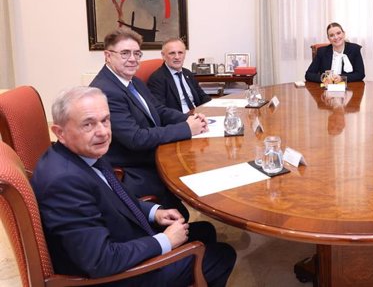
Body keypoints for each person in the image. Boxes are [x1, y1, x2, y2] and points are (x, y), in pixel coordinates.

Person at [31, 86, 235, 286]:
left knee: (205, 231)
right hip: (115, 276)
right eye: (88, 124)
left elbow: (115, 196)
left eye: (105, 120)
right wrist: (164, 242)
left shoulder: (84, 153)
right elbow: (100, 261)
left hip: (121, 238)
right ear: (60, 132)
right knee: (221, 255)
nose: (102, 132)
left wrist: (154, 213)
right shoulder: (64, 182)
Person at [90, 28, 208, 218]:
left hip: (150, 151)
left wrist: (188, 119)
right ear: (108, 55)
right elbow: (136, 138)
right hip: (133, 166)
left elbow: (159, 110)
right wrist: (186, 128)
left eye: (137, 53)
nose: (133, 59)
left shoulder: (132, 81)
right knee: (183, 207)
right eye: (125, 53)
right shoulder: (106, 91)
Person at [148, 37, 212, 113]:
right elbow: (161, 110)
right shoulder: (157, 78)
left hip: (198, 114)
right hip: (180, 120)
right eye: (172, 53)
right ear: (163, 55)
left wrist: (215, 105)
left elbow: (202, 96)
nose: (177, 57)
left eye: (180, 53)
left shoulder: (187, 73)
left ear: (184, 54)